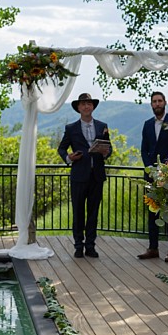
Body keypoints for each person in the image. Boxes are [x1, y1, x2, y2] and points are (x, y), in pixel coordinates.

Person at [56, 93, 111, 258]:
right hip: (79, 176)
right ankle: (78, 246)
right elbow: (61, 148)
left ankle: (91, 246)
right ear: (78, 108)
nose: (86, 106)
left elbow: (109, 148)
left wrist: (105, 153)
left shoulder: (102, 126)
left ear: (93, 106)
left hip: (97, 176)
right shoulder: (71, 128)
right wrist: (68, 158)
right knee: (78, 212)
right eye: (83, 104)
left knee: (93, 213)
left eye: (89, 104)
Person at [138, 91, 168, 263]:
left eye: (159, 101)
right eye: (154, 101)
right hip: (150, 174)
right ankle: (153, 247)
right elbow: (144, 149)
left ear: (165, 102)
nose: (157, 104)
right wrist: (150, 168)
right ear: (151, 104)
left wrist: (164, 169)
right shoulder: (147, 124)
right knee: (152, 212)